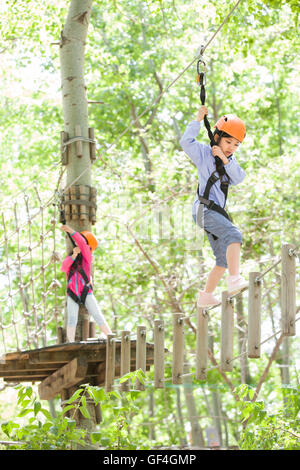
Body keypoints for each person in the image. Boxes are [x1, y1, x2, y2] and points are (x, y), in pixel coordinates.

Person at [180, 105, 248, 307]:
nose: (231, 147)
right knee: (234, 235)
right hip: (204, 209)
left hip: (212, 212)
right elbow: (186, 142)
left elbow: (239, 178)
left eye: (236, 145)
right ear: (217, 136)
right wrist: (198, 120)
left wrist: (225, 159)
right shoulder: (203, 154)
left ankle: (206, 296)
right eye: (228, 142)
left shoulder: (229, 162)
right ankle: (234, 279)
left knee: (222, 259)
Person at [60, 224, 112, 342]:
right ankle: (71, 342)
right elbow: (63, 267)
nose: (78, 244)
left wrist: (71, 230)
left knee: (97, 315)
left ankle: (110, 335)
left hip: (85, 292)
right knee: (72, 319)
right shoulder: (72, 259)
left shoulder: (87, 258)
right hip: (72, 293)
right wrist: (73, 255)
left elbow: (83, 243)